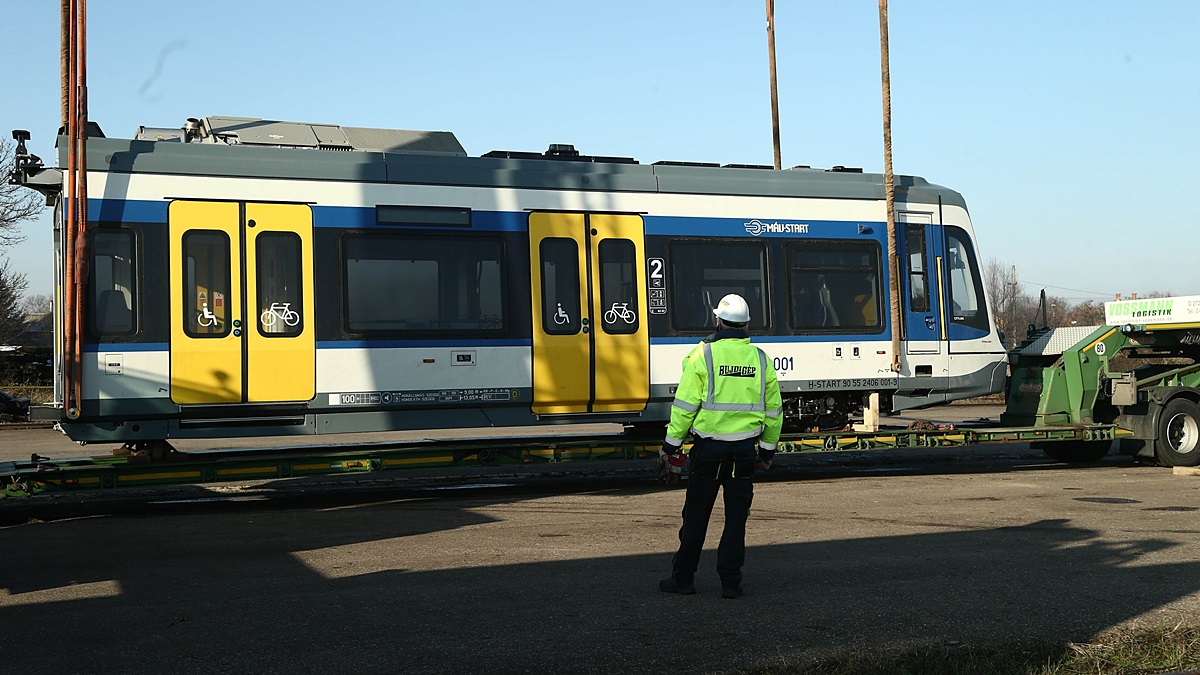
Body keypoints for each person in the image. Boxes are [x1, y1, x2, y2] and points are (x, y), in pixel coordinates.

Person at [659, 293, 782, 599]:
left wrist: (670, 445)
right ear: (747, 325)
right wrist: (766, 452)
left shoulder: (703, 356)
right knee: (736, 519)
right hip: (743, 453)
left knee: (696, 517)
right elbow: (774, 412)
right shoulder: (761, 359)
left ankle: (684, 579)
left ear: (718, 320)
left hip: (708, 452)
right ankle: (731, 583)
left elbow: (684, 406)